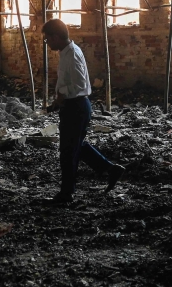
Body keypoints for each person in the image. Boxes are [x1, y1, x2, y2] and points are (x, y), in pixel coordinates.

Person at [42, 18, 125, 205]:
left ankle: (66, 194)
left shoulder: (71, 54)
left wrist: (61, 97)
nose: (47, 44)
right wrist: (58, 101)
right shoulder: (67, 52)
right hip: (73, 105)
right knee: (76, 146)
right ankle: (110, 169)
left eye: (47, 39)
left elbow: (79, 84)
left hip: (76, 107)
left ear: (55, 37)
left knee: (68, 152)